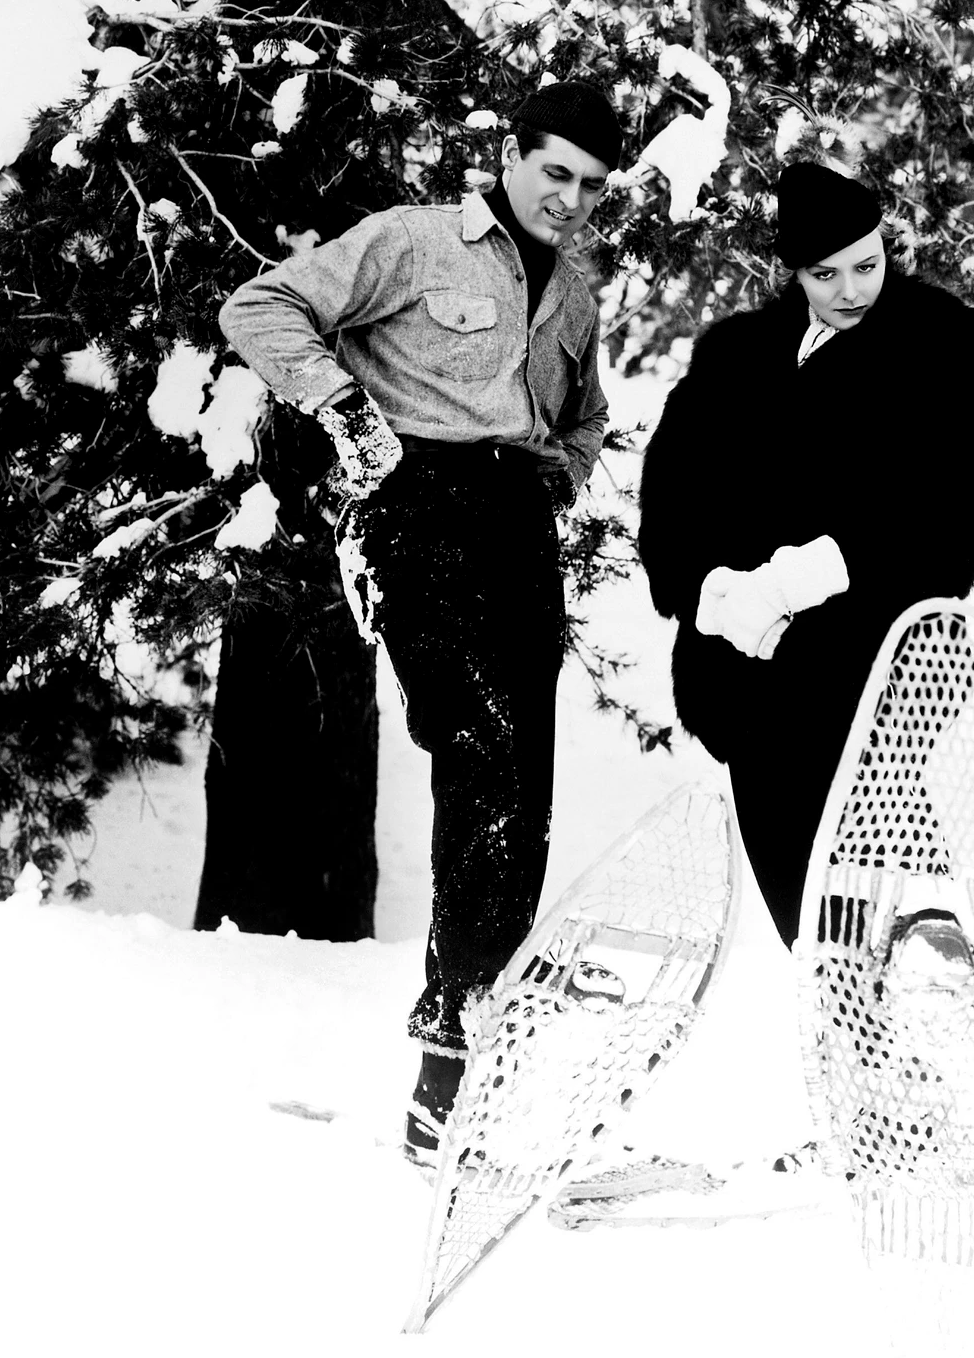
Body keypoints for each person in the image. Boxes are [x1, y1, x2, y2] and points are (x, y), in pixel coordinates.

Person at [217, 80, 623, 1163]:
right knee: (476, 743)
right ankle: (459, 1036)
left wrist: (558, 478)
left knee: (521, 785)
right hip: (415, 512)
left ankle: (465, 1061)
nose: (570, 198)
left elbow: (585, 414)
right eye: (555, 172)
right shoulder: (414, 240)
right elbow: (260, 307)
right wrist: (344, 411)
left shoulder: (573, 292)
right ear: (512, 156)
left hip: (514, 527)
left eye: (590, 185)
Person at [638, 161, 974, 948]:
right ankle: (855, 1000)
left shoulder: (958, 354)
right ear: (794, 270)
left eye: (866, 265)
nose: (851, 290)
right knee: (813, 924)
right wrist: (717, 594)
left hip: (877, 661)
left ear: (887, 248)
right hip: (743, 672)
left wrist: (791, 582)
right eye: (825, 274)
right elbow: (672, 497)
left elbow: (945, 523)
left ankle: (927, 970)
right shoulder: (737, 358)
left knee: (887, 897)